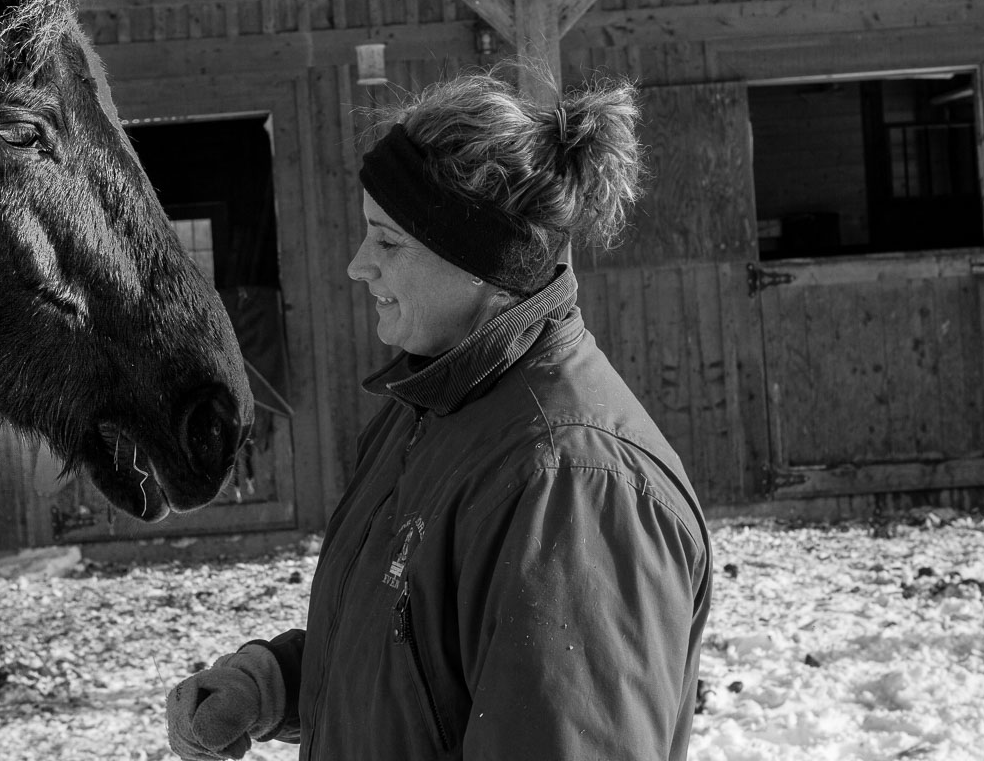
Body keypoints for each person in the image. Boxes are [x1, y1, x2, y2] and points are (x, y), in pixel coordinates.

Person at [166, 72, 711, 761]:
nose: (357, 266)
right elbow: (423, 664)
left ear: (480, 261)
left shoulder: (571, 484)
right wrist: (272, 683)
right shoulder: (432, 409)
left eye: (387, 242)